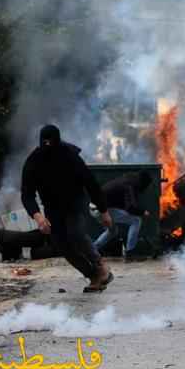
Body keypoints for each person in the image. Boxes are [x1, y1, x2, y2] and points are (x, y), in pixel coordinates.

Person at [21, 125, 114, 292]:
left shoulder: (70, 156)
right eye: (45, 144)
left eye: (52, 144)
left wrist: (104, 211)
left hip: (75, 202)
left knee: (75, 233)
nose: (49, 149)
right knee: (62, 245)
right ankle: (93, 275)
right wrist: (38, 217)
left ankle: (100, 265)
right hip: (52, 208)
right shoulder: (34, 161)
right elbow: (27, 194)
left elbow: (90, 183)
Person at [94, 171, 153, 261]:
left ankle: (92, 250)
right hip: (101, 209)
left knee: (112, 231)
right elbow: (130, 208)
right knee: (136, 220)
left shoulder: (127, 180)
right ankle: (130, 253)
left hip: (95, 207)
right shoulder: (129, 185)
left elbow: (124, 204)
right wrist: (143, 212)